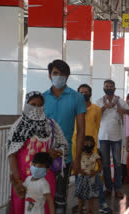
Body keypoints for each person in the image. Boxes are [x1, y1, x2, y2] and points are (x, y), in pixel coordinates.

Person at [7, 91, 68, 214]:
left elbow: (64, 146)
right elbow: (12, 154)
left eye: (39, 105)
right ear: (26, 104)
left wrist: (56, 152)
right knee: (21, 206)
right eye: (33, 104)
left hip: (45, 176)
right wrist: (18, 181)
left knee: (44, 206)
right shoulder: (19, 126)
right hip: (23, 178)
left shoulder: (51, 124)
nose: (36, 108)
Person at [43, 59, 86, 213]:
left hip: (64, 157)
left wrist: (77, 158)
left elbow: (81, 130)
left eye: (62, 74)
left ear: (67, 76)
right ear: (49, 75)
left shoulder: (77, 98)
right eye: (55, 73)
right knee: (42, 195)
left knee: (60, 198)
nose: (58, 76)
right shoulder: (42, 98)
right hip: (43, 156)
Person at [96, 80, 129, 198]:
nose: (109, 88)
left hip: (117, 137)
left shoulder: (120, 101)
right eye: (106, 86)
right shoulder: (98, 101)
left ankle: (118, 188)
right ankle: (108, 188)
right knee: (106, 164)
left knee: (118, 163)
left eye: (111, 86)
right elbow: (95, 115)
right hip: (103, 137)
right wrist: (105, 107)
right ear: (103, 88)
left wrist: (124, 111)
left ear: (114, 88)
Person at [75, 136, 112, 214]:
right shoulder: (80, 154)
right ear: (83, 145)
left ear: (93, 145)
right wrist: (80, 171)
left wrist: (95, 172)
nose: (88, 145)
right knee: (80, 196)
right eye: (86, 143)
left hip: (91, 178)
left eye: (90, 143)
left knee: (91, 195)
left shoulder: (95, 155)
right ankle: (79, 210)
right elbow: (75, 164)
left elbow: (101, 166)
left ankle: (90, 210)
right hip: (81, 177)